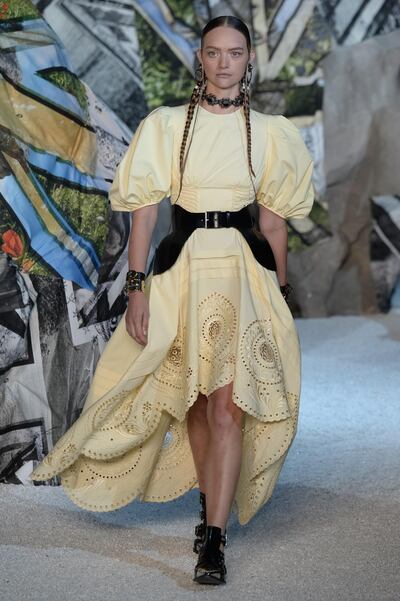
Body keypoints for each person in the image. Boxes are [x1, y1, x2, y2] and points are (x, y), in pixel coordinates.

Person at [29, 15, 314, 586]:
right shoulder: (164, 127)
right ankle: (209, 506)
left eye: (236, 52)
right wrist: (136, 289)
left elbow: (275, 224)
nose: (225, 62)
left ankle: (214, 538)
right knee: (194, 405)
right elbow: (145, 214)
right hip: (182, 273)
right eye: (215, 52)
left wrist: (280, 293)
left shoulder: (271, 132)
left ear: (249, 59)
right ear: (201, 59)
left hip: (240, 274)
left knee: (228, 405)